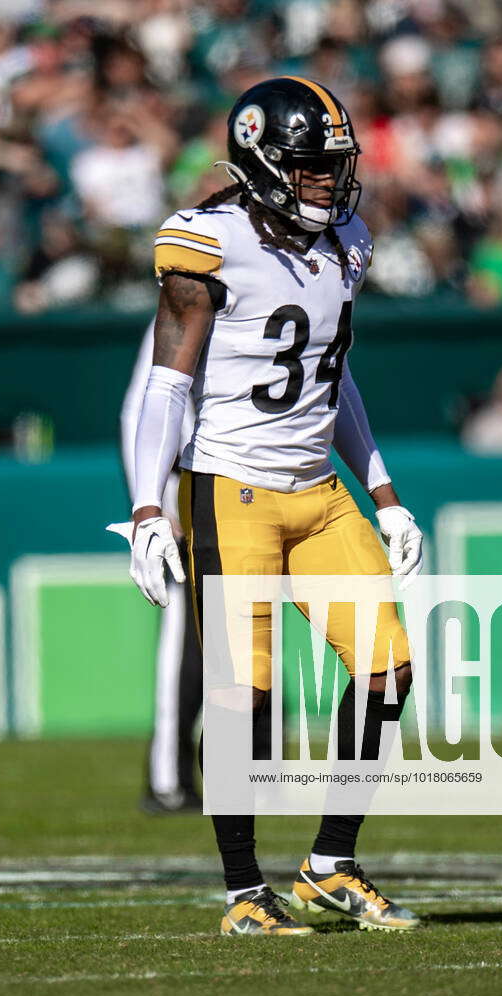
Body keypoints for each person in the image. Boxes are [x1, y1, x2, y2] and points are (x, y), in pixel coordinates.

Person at [109, 76, 423, 936]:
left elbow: (334, 377)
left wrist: (383, 492)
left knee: (387, 667)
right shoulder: (205, 241)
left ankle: (331, 865)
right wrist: (147, 507)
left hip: (319, 494)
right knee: (243, 697)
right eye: (310, 168)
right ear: (261, 164)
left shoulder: (346, 239)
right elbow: (168, 383)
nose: (329, 183)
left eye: (334, 166)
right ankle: (243, 890)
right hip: (228, 489)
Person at [119, 320, 203, 813]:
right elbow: (141, 408)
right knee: (183, 633)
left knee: (244, 628)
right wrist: (148, 501)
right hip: (184, 486)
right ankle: (167, 776)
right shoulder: (182, 303)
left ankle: (253, 764)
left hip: (240, 486)